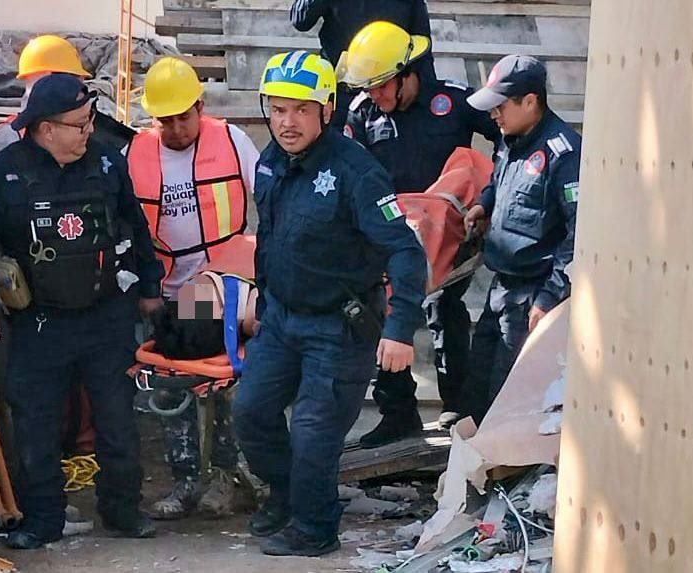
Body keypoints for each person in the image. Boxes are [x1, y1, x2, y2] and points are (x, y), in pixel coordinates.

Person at [233, 50, 426, 557]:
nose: (287, 121)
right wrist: (261, 293)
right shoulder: (271, 161)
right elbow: (271, 236)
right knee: (250, 412)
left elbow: (405, 250)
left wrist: (402, 326)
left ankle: (314, 528)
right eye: (277, 109)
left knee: (315, 434)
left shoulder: (357, 172)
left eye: (300, 109)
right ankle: (287, 497)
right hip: (280, 320)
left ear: (327, 109)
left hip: (337, 330)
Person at [0, 74, 165, 549]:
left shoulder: (108, 164)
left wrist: (151, 288)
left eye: (88, 120)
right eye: (77, 124)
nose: (87, 131)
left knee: (118, 422)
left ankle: (122, 509)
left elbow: (136, 228)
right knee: (36, 427)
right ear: (44, 129)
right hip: (38, 324)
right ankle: (42, 520)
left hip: (105, 316)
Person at [339, 21, 501, 446]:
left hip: (449, 234)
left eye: (381, 86)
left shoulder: (452, 101)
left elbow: (508, 134)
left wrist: (489, 194)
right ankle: (398, 414)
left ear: (407, 72)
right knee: (387, 317)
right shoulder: (362, 112)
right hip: (391, 238)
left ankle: (458, 406)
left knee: (445, 311)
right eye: (369, 88)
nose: (374, 95)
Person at [127, 56, 260, 519]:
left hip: (224, 291)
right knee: (171, 388)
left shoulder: (232, 142)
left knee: (225, 386)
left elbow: (269, 199)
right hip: (166, 290)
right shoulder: (138, 153)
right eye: (166, 120)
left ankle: (227, 478)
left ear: (200, 107)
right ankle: (183, 481)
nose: (176, 128)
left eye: (184, 117)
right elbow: (130, 225)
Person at [460, 55, 581, 424]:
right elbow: (499, 181)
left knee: (508, 400)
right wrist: (483, 205)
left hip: (534, 297)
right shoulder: (509, 139)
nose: (493, 115)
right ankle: (473, 475)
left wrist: (548, 298)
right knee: (476, 390)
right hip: (501, 290)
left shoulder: (564, 153)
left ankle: (506, 480)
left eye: (500, 105)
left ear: (530, 101)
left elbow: (579, 236)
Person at [0, 34, 134, 168]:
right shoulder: (8, 138)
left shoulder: (84, 134)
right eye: (74, 80)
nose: (79, 89)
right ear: (51, 78)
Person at [289, 0, 432, 127]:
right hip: (343, 92)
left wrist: (416, 75)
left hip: (390, 92)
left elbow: (420, 36)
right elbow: (301, 20)